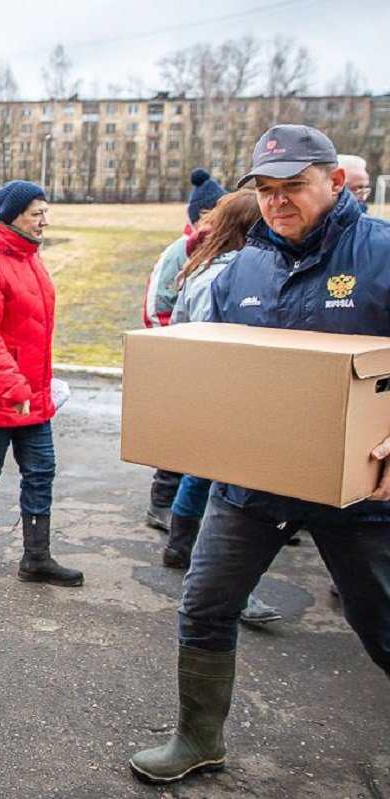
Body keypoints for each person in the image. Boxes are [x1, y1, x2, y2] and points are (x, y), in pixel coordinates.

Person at [129, 124, 390, 785]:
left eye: (293, 188)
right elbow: (219, 367)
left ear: (334, 182)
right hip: (253, 483)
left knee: (382, 628)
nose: (277, 203)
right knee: (205, 602)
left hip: (360, 491)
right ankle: (198, 736)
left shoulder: (383, 254)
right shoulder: (246, 264)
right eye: (266, 191)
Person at [0, 180, 83, 588]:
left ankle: (37, 557)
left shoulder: (28, 257)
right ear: (13, 216)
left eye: (46, 212)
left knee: (41, 471)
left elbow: (30, 330)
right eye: (35, 213)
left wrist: (38, 384)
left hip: (32, 392)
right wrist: (15, 387)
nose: (44, 221)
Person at [164, 189, 281, 625]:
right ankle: (230, 587)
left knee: (205, 472)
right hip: (229, 395)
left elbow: (177, 331)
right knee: (227, 487)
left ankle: (180, 545)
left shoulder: (204, 265)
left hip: (206, 391)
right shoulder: (233, 273)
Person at [142, 168, 226, 532]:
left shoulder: (216, 251)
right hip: (178, 355)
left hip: (199, 358)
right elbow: (156, 307)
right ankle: (161, 503)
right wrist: (172, 352)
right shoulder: (180, 253)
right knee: (178, 433)